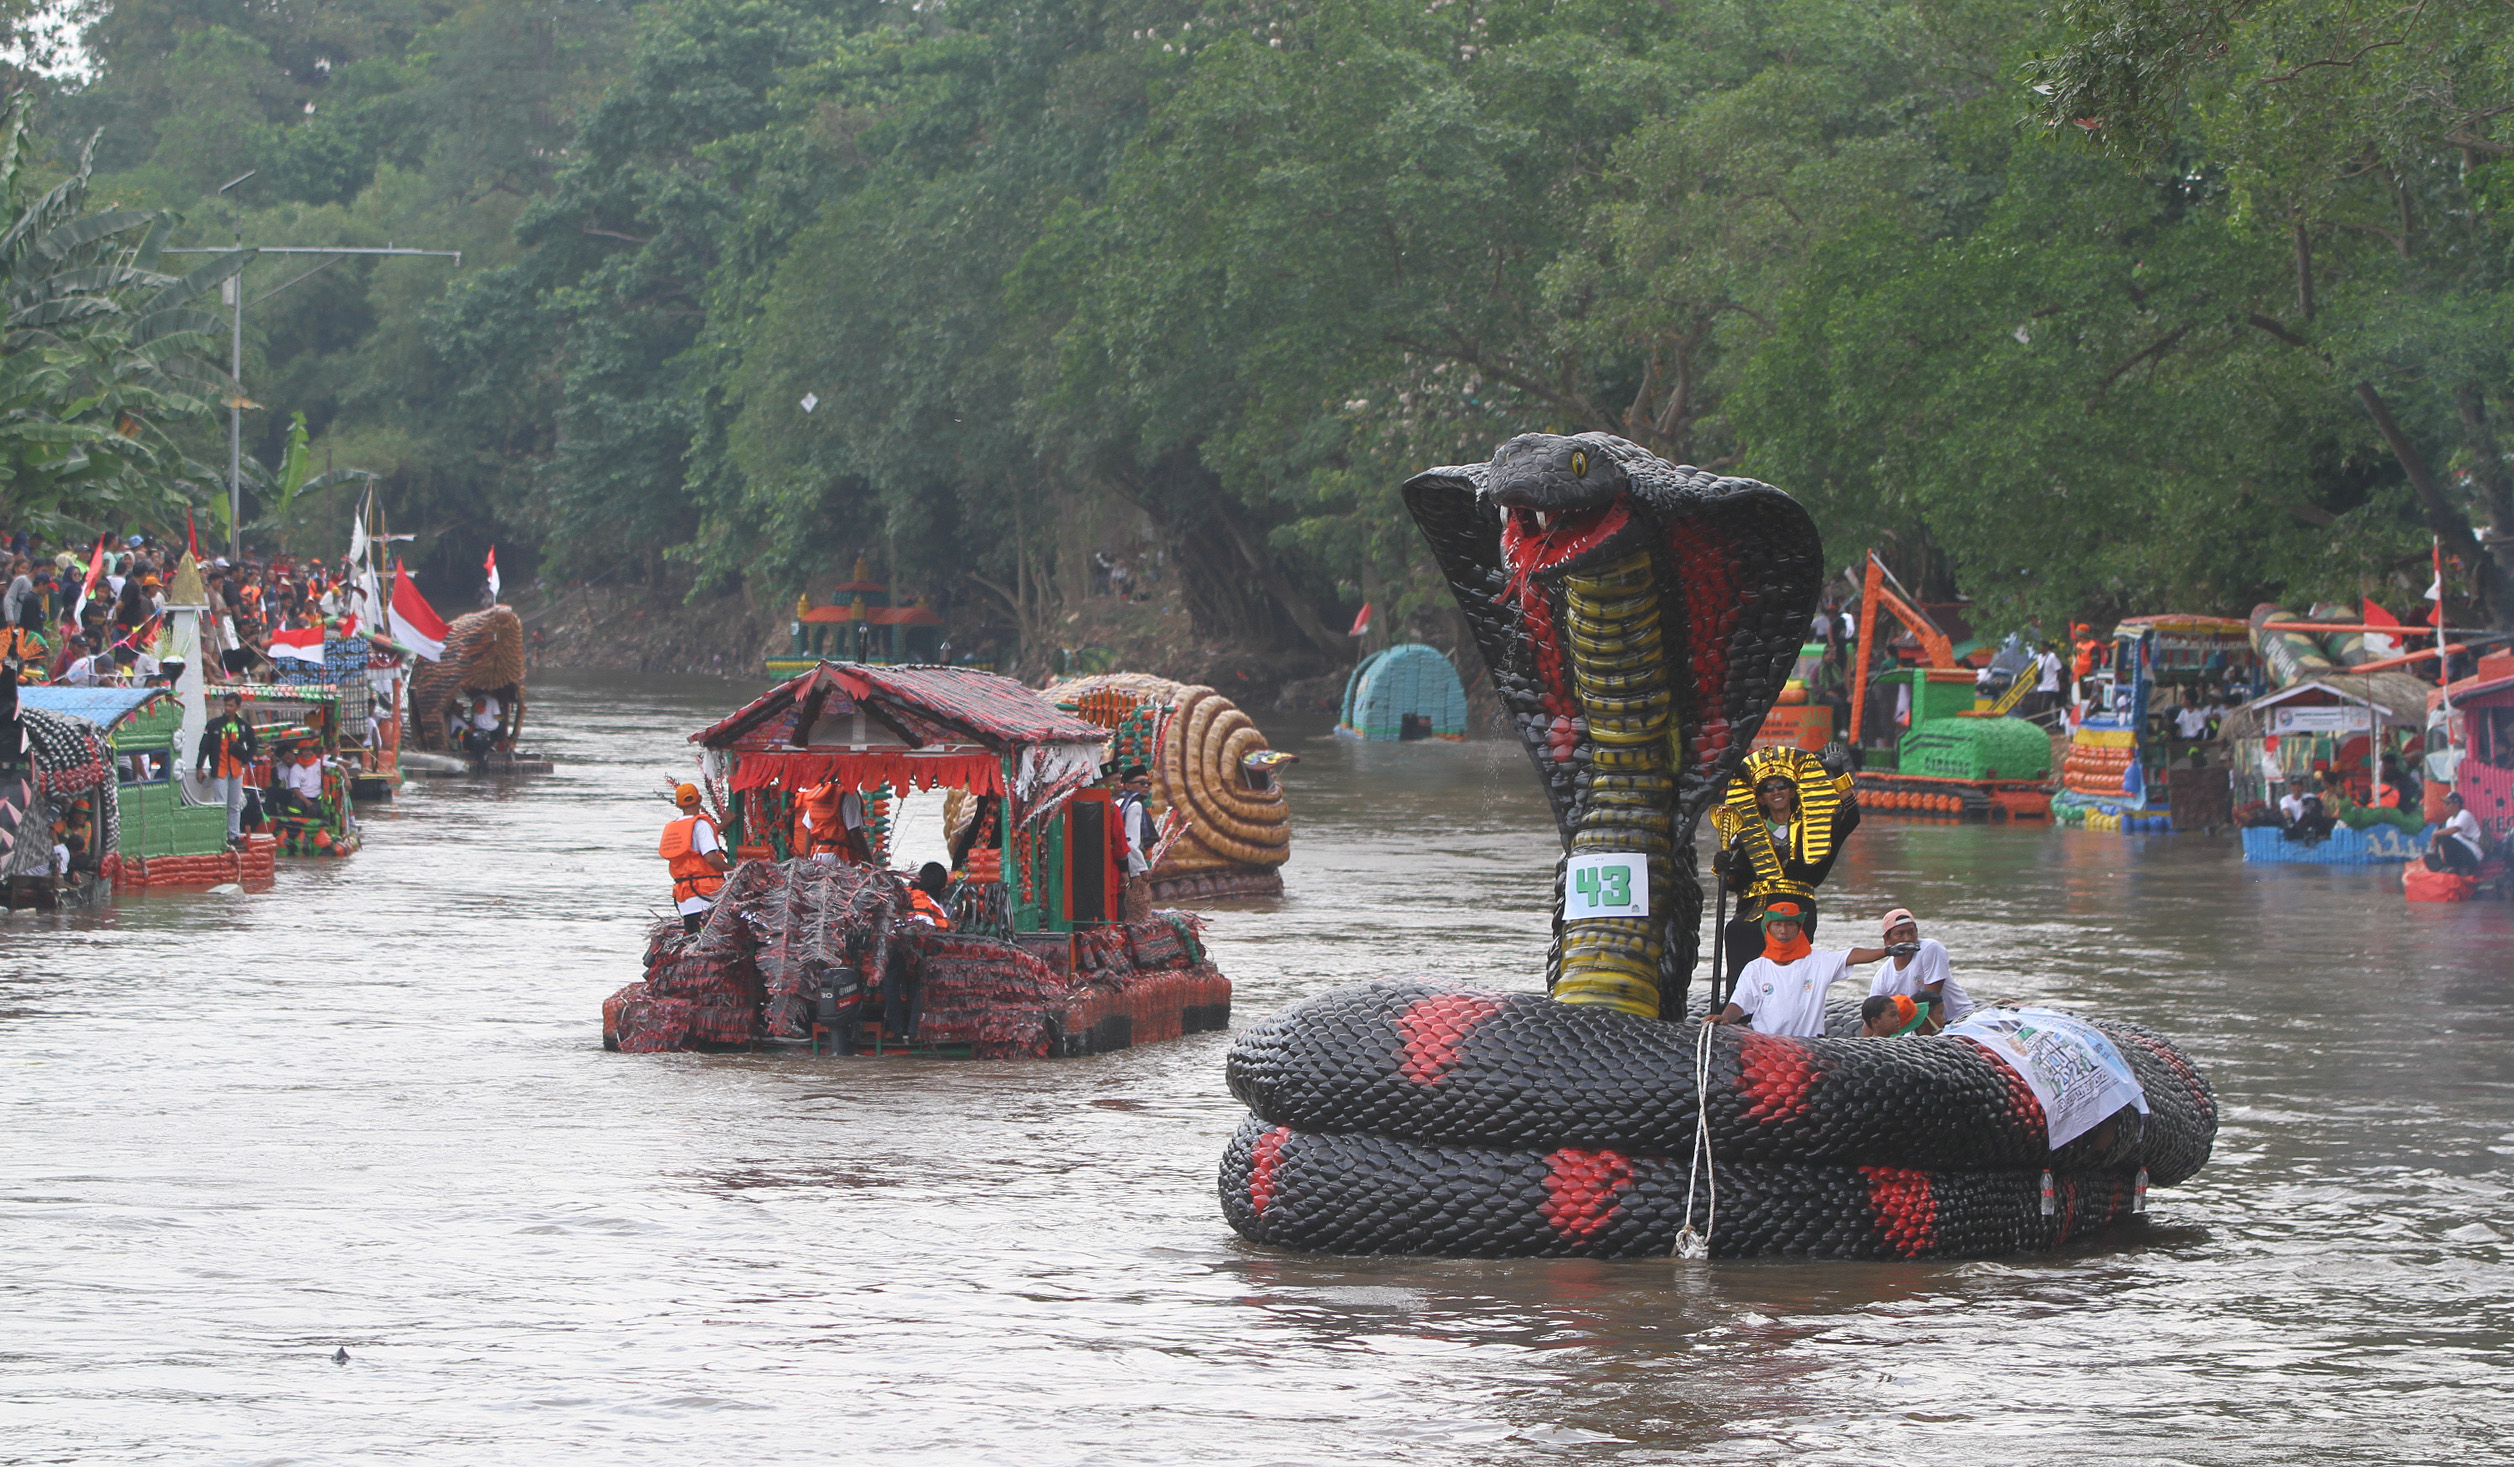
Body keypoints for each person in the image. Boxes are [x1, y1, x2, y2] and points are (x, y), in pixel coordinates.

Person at [1709, 745, 1861, 981]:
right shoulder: (1746, 834)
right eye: (1768, 788)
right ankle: (1737, 1006)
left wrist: (1838, 772)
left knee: (1787, 947)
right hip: (1754, 907)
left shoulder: (1812, 829)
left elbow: (1850, 816)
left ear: (1792, 792)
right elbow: (1733, 881)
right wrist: (1722, 866)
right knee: (1738, 930)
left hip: (1797, 904)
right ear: (1760, 798)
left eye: (1782, 786)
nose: (1776, 791)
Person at [1706, 899, 1894, 1037]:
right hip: (1767, 1046)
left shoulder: (1818, 961)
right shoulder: (1756, 968)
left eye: (1789, 925)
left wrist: (1887, 951)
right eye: (1778, 924)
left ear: (1799, 928)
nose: (1783, 931)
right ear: (1768, 928)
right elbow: (1739, 1003)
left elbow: (1852, 955)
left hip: (1809, 1047)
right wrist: (1725, 1018)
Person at [1864, 907, 1974, 1028]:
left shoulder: (1931, 949)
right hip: (1920, 1026)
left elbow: (1928, 1001)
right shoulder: (1882, 976)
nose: (1908, 938)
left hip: (1957, 1019)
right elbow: (1873, 1016)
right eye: (1900, 934)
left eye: (1911, 932)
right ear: (1887, 940)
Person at [659, 783, 729, 932]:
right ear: (700, 799)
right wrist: (733, 870)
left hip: (685, 898)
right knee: (711, 943)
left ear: (678, 805)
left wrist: (725, 824)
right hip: (705, 896)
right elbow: (710, 857)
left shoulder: (675, 827)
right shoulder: (701, 825)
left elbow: (702, 838)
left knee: (694, 942)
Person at [197, 691, 259, 844]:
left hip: (236, 771)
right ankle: (220, 835)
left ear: (238, 707)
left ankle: (233, 835)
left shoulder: (244, 726)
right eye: (226, 705)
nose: (228, 708)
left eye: (231, 705)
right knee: (220, 804)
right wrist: (199, 767)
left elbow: (253, 745)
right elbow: (204, 747)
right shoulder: (213, 725)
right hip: (220, 770)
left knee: (234, 805)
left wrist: (245, 760)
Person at [1112, 763, 1159, 921]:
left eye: (1148, 783)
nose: (1146, 786)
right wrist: (1142, 868)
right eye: (1141, 783)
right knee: (1139, 911)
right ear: (1129, 786)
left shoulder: (1119, 802)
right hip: (1132, 867)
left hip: (1118, 865)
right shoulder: (1135, 805)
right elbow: (1130, 841)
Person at [2427, 791, 2487, 875]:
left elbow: (2455, 829)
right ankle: (2449, 867)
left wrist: (2435, 834)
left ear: (2456, 804)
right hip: (2461, 854)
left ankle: (2454, 867)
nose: (2445, 806)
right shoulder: (2449, 820)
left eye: (2448, 803)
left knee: (2444, 837)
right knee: (2431, 856)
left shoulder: (2464, 814)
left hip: (2473, 853)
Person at [267, 743, 324, 819]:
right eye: (284, 760)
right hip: (292, 793)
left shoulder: (304, 761)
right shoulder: (281, 767)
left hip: (307, 793)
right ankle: (273, 817)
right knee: (271, 791)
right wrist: (273, 765)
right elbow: (276, 783)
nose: (288, 761)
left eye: (289, 757)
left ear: (292, 753)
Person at [906, 862, 953, 929]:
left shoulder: (905, 893)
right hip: (924, 931)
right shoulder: (929, 901)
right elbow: (952, 926)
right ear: (941, 888)